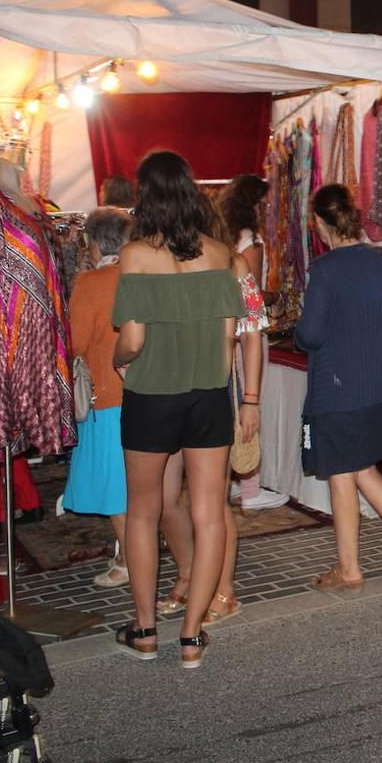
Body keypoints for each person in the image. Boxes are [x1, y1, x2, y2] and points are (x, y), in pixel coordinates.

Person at [111, 151, 261, 668]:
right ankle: (193, 636)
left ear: (144, 195)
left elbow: (131, 339)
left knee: (143, 511)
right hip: (207, 395)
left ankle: (147, 629)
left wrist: (117, 359)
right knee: (210, 512)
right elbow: (234, 333)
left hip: (153, 393)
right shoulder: (222, 254)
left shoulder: (134, 255)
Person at [297, 184, 382, 590]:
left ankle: (349, 569)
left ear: (321, 225)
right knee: (364, 471)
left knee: (341, 474)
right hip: (375, 383)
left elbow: (310, 333)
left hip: (336, 386)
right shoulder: (380, 263)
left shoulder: (324, 271)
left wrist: (304, 337)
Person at [62, 207, 134, 588]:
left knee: (116, 488)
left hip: (108, 395)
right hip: (146, 393)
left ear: (93, 242)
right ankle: (132, 554)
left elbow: (74, 341)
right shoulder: (142, 274)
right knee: (137, 484)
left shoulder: (92, 283)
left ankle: (129, 562)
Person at [218, 175, 286, 512]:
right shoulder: (253, 243)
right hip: (247, 333)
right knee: (248, 405)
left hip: (222, 336)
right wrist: (278, 296)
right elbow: (253, 295)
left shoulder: (224, 238)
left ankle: (232, 482)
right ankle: (250, 488)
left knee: (230, 405)